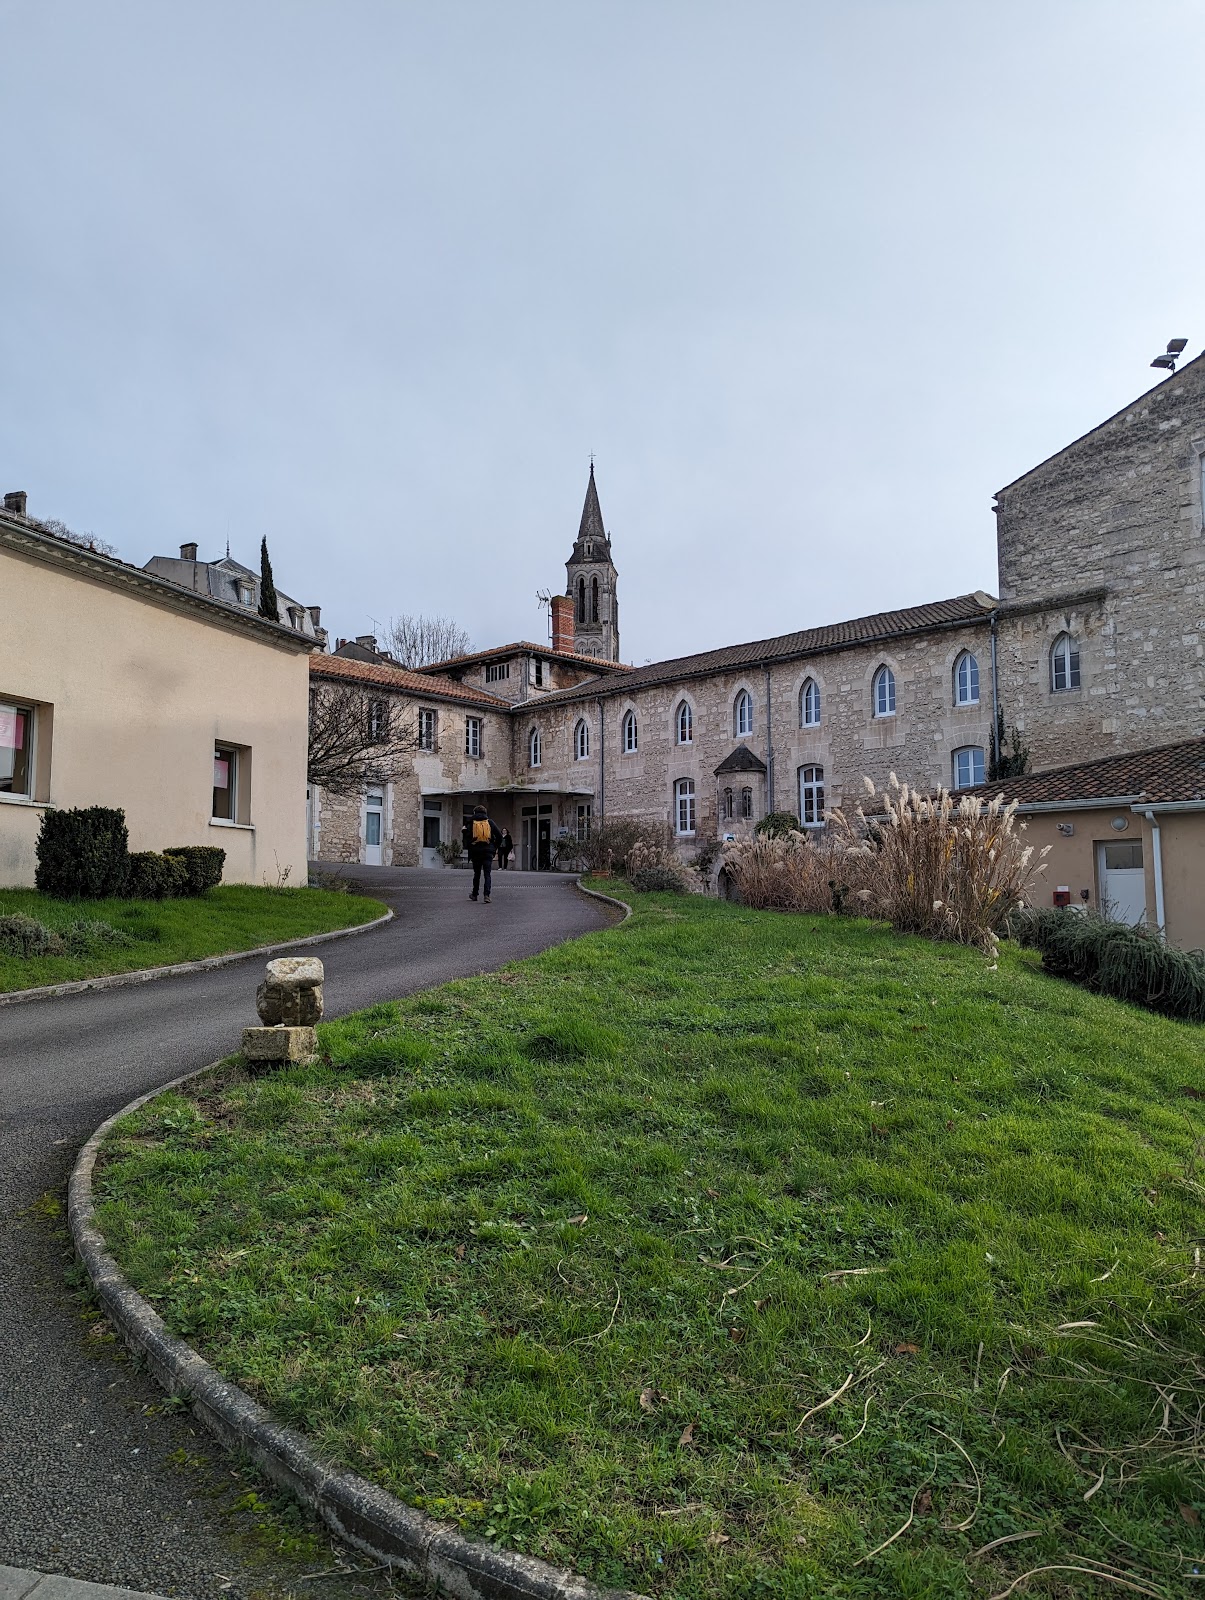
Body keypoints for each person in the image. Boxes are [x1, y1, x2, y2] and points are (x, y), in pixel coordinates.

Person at [465, 804, 502, 903]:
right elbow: (499, 837)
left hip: (476, 851)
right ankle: (487, 895)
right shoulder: (490, 822)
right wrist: (493, 847)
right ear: (485, 813)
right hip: (488, 851)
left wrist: (470, 846)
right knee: (487, 874)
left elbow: (466, 837)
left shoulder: (470, 822)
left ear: (474, 813)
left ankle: (474, 894)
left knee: (476, 874)